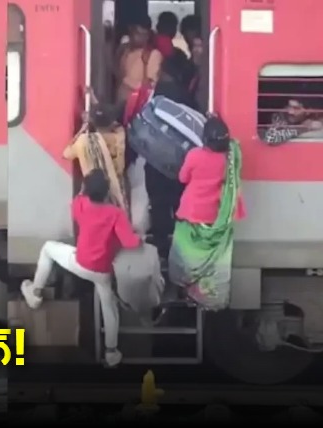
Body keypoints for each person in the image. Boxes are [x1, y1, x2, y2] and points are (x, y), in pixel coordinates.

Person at [20, 169, 141, 367]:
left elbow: (78, 201)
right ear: (107, 191)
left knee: (48, 248)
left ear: (86, 190)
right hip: (102, 271)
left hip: (80, 263)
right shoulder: (116, 214)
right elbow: (129, 242)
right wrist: (139, 238)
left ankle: (35, 293)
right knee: (109, 308)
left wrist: (84, 189)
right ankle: (111, 353)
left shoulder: (80, 205)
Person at [169, 116, 245, 309]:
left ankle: (184, 283)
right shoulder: (228, 159)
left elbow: (182, 177)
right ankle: (204, 294)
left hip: (191, 212)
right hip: (214, 215)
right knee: (209, 256)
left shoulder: (195, 155)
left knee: (185, 251)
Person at [141, 50, 197, 259]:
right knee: (177, 201)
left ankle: (161, 244)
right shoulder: (184, 94)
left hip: (155, 156)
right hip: (178, 159)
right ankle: (180, 244)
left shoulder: (156, 92)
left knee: (158, 203)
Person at [116, 15, 163, 103]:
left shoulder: (153, 55)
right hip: (121, 103)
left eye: (143, 34)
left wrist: (126, 81)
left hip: (137, 106)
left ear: (148, 35)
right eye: (135, 33)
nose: (137, 37)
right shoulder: (125, 51)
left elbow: (149, 87)